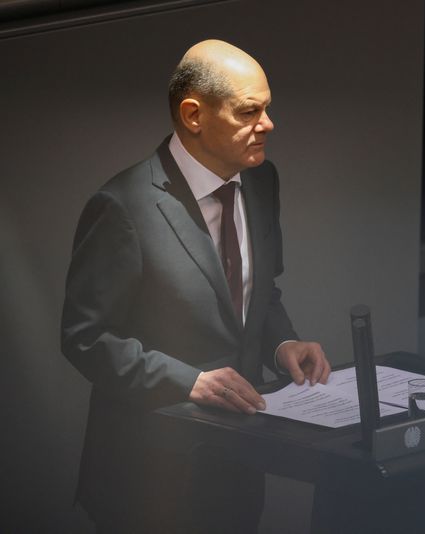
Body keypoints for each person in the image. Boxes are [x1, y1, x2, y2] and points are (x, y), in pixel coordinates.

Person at [61, 39, 331, 533]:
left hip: (238, 464)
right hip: (148, 474)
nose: (267, 124)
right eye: (250, 111)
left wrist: (283, 343)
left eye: (267, 108)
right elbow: (85, 338)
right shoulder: (122, 207)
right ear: (193, 115)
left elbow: (259, 293)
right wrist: (188, 381)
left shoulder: (262, 181)